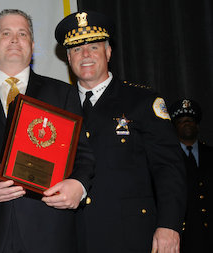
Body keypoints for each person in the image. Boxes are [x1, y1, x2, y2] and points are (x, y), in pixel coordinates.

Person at [0, 9, 94, 253]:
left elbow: (83, 155)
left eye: (22, 34)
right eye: (6, 33)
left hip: (49, 231)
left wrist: (78, 186)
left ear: (33, 45)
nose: (15, 39)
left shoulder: (63, 93)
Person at [55, 10, 186, 253]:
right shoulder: (58, 108)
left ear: (108, 51)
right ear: (68, 58)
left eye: (94, 47)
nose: (85, 55)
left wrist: (170, 225)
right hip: (73, 236)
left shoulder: (143, 101)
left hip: (131, 235)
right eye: (76, 49)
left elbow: (169, 168)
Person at [169, 99, 213, 252]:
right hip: (184, 236)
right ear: (174, 128)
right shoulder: (167, 159)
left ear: (198, 126)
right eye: (181, 121)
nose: (186, 124)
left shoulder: (210, 154)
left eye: (190, 120)